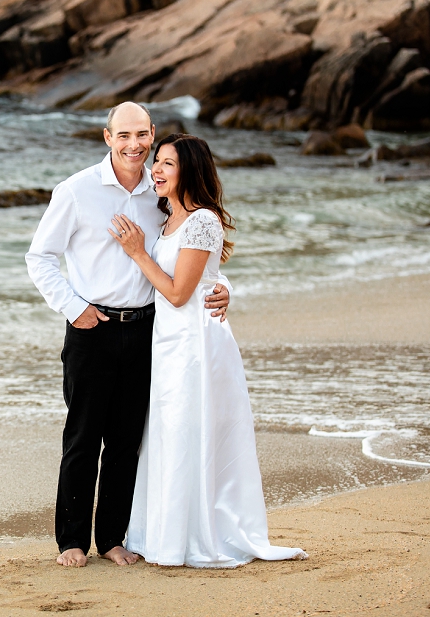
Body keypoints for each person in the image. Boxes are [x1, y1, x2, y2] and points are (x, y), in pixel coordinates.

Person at [25, 103, 230, 568]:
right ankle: (71, 541)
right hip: (91, 330)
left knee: (126, 442)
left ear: (152, 134)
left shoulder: (161, 193)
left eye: (143, 135)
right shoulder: (76, 191)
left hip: (148, 332)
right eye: (124, 136)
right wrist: (75, 310)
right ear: (107, 138)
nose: (135, 145)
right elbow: (39, 258)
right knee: (82, 440)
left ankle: (113, 538)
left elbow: (195, 255)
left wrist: (222, 289)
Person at [110, 133, 306, 567]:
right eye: (156, 162)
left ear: (190, 171)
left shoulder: (202, 220)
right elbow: (205, 276)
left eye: (167, 164)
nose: (156, 170)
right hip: (168, 341)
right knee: (169, 432)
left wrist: (138, 253)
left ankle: (192, 537)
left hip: (196, 342)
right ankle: (165, 534)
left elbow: (180, 293)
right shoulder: (168, 218)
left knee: (187, 430)